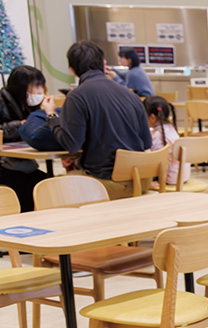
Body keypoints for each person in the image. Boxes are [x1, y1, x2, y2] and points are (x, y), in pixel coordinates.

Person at [41, 41, 151, 199]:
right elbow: (146, 143)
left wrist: (51, 116)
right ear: (103, 64)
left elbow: (71, 145)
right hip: (142, 179)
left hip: (108, 183)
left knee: (50, 189)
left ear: (72, 69)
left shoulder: (77, 97)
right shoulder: (131, 95)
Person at [0, 65, 50, 210]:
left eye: (42, 86)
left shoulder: (28, 105)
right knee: (31, 188)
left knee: (46, 184)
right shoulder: (2, 102)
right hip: (5, 165)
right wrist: (21, 125)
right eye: (36, 87)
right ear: (21, 87)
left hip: (23, 163)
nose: (40, 91)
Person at [144, 95, 188, 187]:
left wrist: (160, 182)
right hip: (182, 176)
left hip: (169, 179)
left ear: (152, 117)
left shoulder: (158, 135)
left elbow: (161, 161)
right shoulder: (170, 128)